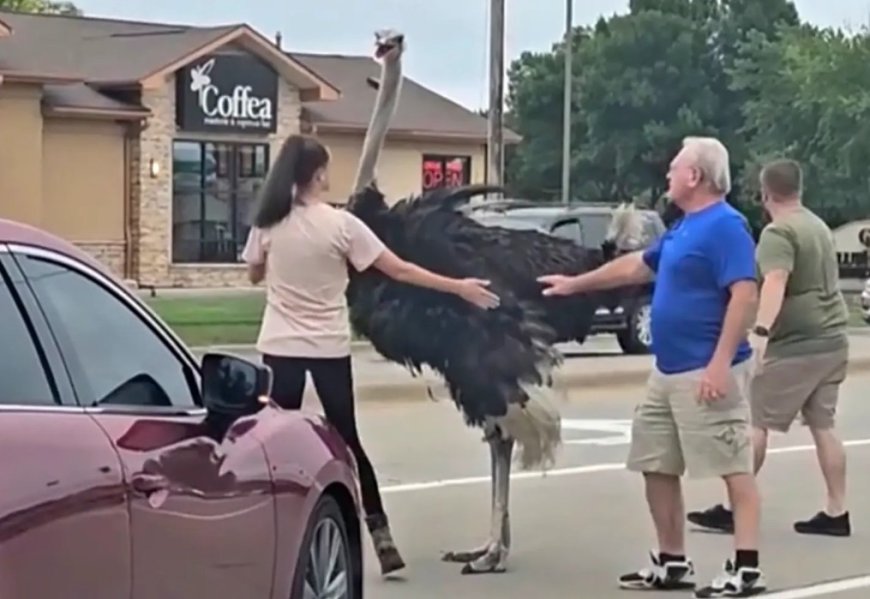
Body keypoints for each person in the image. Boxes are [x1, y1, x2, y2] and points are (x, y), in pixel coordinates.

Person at [242, 134, 500, 576]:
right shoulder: (342, 226)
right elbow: (399, 269)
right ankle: (380, 535)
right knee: (349, 440)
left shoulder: (268, 223)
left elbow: (252, 273)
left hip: (279, 345)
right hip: (327, 347)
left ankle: (269, 533)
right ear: (318, 174)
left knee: (274, 444)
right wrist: (459, 286)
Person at [539, 136, 766, 597]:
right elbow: (638, 268)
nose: (668, 173)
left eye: (675, 166)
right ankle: (672, 561)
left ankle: (745, 568)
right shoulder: (683, 229)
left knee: (733, 466)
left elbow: (745, 294)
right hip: (667, 371)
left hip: (706, 370)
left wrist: (720, 364)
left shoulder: (726, 227)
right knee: (655, 463)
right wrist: (574, 284)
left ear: (695, 176)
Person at [687, 159, 852, 538]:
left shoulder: (779, 233)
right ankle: (837, 509)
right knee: (824, 425)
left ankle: (733, 508)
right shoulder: (817, 226)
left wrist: (759, 331)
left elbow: (775, 281)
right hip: (833, 338)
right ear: (799, 189)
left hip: (798, 344)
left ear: (764, 194)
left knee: (756, 424)